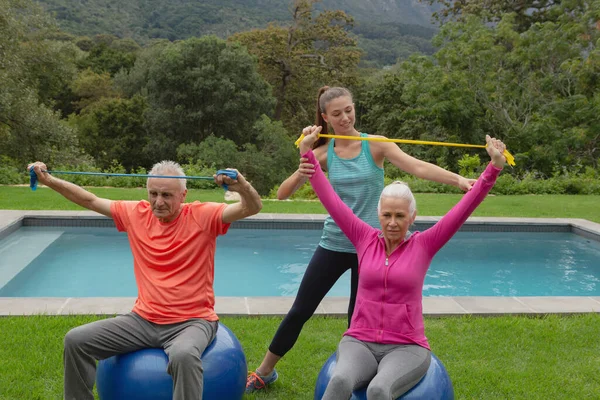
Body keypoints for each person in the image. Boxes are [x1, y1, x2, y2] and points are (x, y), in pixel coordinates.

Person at [246, 86, 476, 392]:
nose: (345, 118)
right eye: (337, 114)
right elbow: (282, 193)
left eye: (349, 110)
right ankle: (265, 372)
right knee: (301, 309)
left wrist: (459, 179)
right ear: (325, 118)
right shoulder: (322, 154)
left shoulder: (376, 146)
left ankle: (364, 375)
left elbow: (416, 167)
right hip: (335, 243)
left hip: (373, 248)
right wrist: (303, 166)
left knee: (359, 321)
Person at [27, 160, 262, 400]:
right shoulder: (135, 214)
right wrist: (49, 180)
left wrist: (241, 186)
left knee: (184, 355)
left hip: (193, 321)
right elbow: (90, 200)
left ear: (183, 195)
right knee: (76, 340)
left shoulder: (203, 216)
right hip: (143, 320)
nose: (159, 202)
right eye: (154, 194)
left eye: (167, 195)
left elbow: (252, 207)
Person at [300, 129, 506, 399]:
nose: (392, 222)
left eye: (400, 215)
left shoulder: (425, 244)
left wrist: (494, 168)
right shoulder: (363, 238)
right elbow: (332, 200)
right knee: (339, 381)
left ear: (412, 216)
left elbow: (465, 207)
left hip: (406, 346)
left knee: (378, 389)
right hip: (359, 340)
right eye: (386, 215)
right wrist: (307, 152)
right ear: (378, 214)